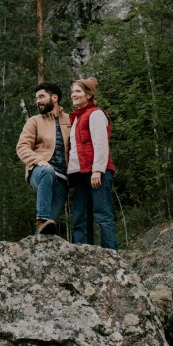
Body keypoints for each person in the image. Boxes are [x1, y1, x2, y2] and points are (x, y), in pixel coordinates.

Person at [67, 77, 118, 250]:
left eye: (78, 91)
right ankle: (84, 259)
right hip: (79, 174)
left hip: (96, 173)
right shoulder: (75, 118)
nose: (74, 95)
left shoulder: (95, 114)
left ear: (89, 95)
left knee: (103, 215)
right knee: (80, 218)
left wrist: (97, 170)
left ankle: (112, 257)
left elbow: (101, 143)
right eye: (73, 91)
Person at [16, 82, 71, 235]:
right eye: (36, 98)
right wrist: (37, 159)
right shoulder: (34, 121)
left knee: (47, 227)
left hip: (63, 179)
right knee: (47, 172)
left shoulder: (70, 120)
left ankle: (37, 248)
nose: (37, 101)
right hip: (40, 172)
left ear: (54, 98)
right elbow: (22, 147)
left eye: (41, 97)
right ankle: (40, 218)